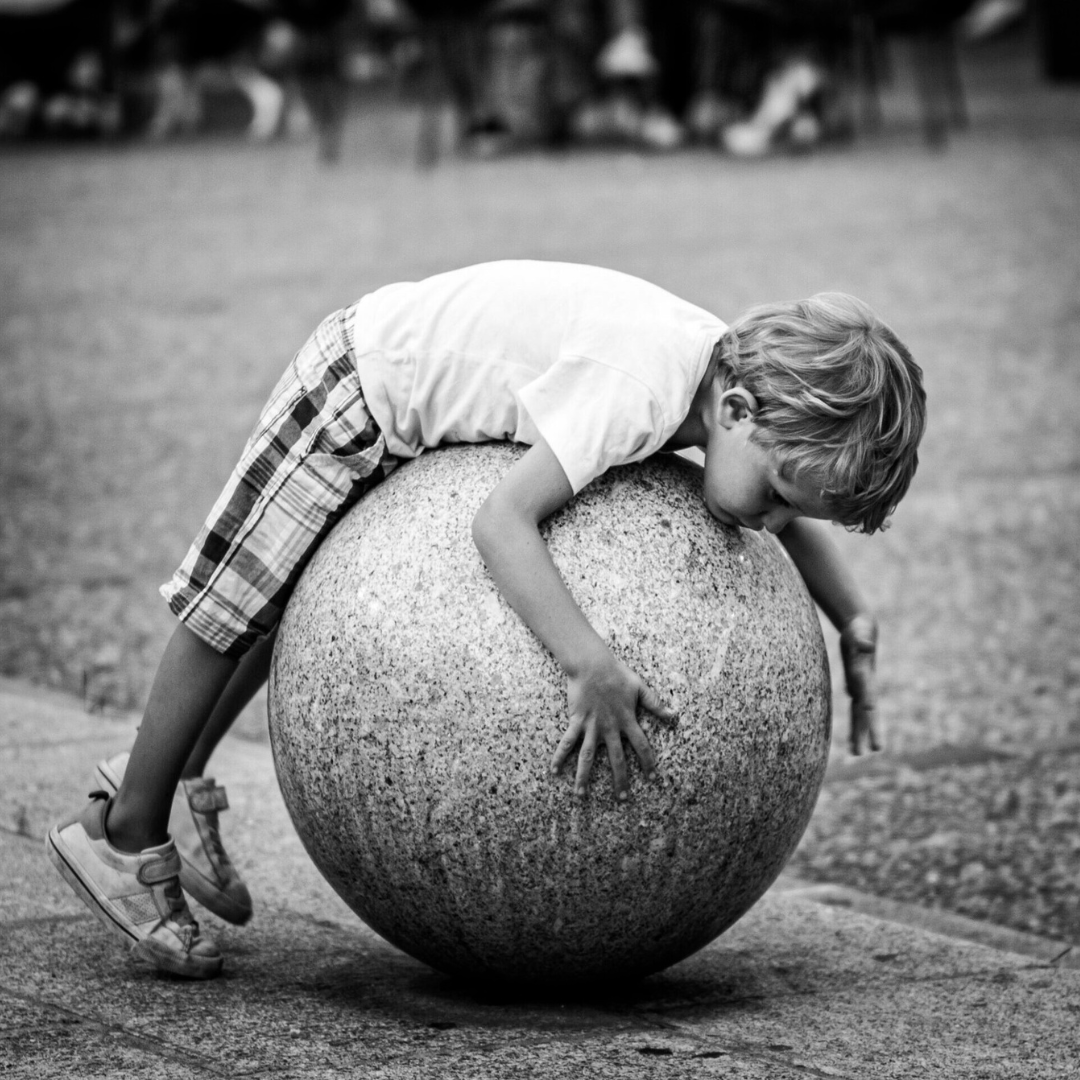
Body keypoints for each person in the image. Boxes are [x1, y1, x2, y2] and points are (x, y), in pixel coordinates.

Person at [47, 260, 926, 979]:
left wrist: (849, 614)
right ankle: (125, 830)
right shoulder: (640, 390)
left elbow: (782, 497)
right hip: (359, 387)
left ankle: (162, 772)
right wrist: (587, 662)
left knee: (271, 612)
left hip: (394, 402)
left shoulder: (728, 384)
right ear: (736, 413)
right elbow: (500, 523)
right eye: (776, 498)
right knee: (229, 607)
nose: (773, 524)